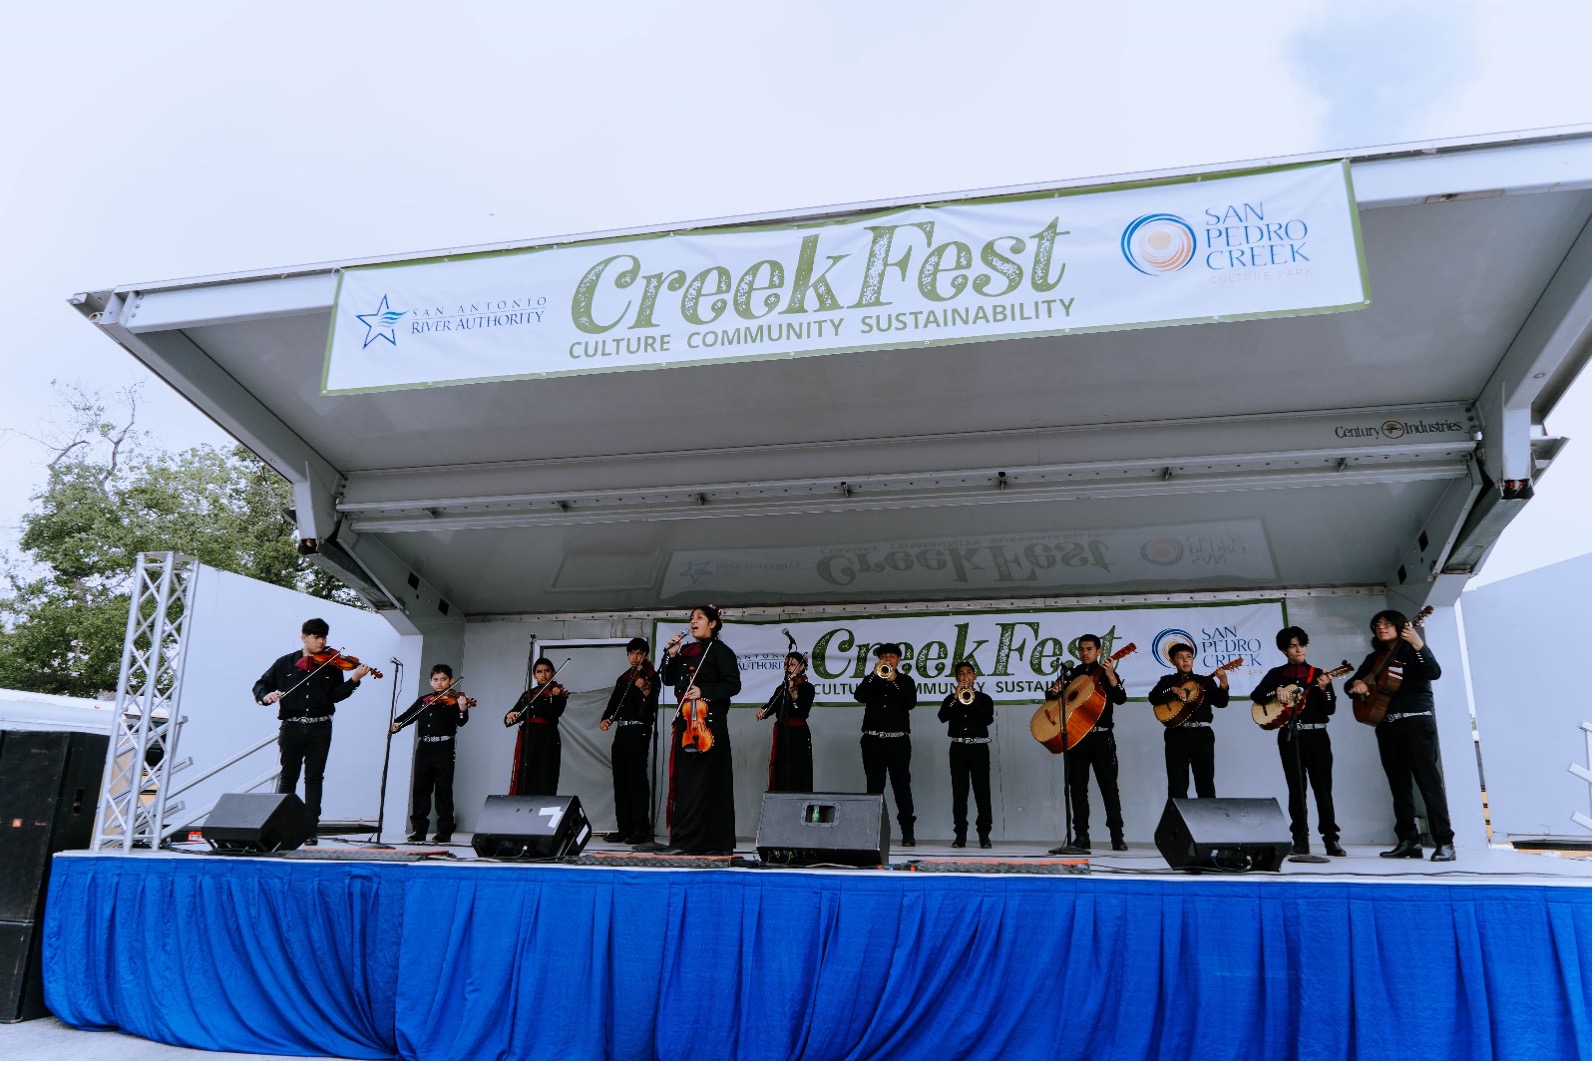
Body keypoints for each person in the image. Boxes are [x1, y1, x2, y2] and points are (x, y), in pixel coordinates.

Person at [1347, 610, 1455, 862]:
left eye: (1387, 623)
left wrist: (1418, 643)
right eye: (1377, 624)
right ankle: (1408, 841)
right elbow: (1350, 685)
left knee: (1429, 784)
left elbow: (1434, 672)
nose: (1381, 627)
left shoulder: (1412, 651)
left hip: (1416, 722)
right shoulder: (1375, 658)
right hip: (1386, 725)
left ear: (1401, 626)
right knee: (1399, 786)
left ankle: (1445, 842)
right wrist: (1357, 685)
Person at [251, 617, 370, 845]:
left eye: (324, 637)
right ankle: (281, 827)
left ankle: (310, 829)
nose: (321, 642)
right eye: (316, 637)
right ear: (303, 637)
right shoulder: (285, 663)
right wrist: (265, 697)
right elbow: (261, 684)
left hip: (321, 726)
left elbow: (336, 696)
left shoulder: (332, 665)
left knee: (314, 778)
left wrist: (354, 680)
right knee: (288, 777)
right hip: (292, 726)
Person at [1249, 628, 1344, 857]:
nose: (1299, 649)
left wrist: (1324, 689)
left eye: (1302, 644)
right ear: (1284, 649)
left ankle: (1331, 840)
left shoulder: (1319, 673)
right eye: (1293, 645)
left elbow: (1329, 708)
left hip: (1318, 736)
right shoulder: (1277, 674)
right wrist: (1277, 690)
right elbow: (1257, 695)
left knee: (1323, 789)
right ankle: (1300, 840)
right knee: (1296, 789)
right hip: (1291, 735)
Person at [661, 605, 742, 854]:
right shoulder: (686, 651)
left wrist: (704, 692)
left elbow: (733, 685)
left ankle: (708, 842)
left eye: (699, 617)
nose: (693, 621)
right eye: (691, 618)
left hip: (709, 726)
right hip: (687, 724)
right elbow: (668, 679)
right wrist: (672, 656)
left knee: (706, 783)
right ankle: (685, 839)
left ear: (713, 623)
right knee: (687, 783)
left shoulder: (721, 651)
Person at [1048, 634, 1128, 853]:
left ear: (1099, 651)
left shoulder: (1106, 673)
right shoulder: (1072, 673)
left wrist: (1111, 675)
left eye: (1089, 649)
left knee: (1109, 787)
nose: (1085, 653)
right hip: (1077, 738)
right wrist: (1054, 691)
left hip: (1102, 737)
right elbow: (1054, 700)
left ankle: (1117, 836)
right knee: (1077, 788)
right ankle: (1081, 836)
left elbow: (1120, 698)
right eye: (1082, 649)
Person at [389, 664, 470, 843]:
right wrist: (397, 724)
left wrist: (463, 709)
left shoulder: (455, 700)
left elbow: (461, 722)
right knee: (421, 789)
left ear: (450, 680)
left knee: (443, 790)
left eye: (443, 679)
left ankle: (444, 832)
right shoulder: (424, 700)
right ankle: (419, 831)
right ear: (430, 681)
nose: (439, 683)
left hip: (444, 748)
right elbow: (408, 716)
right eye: (435, 680)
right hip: (424, 749)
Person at [854, 642, 919, 847]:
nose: (888, 659)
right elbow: (859, 696)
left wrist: (894, 681)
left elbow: (910, 702)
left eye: (892, 656)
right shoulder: (871, 680)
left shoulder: (906, 681)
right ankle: (872, 833)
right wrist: (874, 676)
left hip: (898, 741)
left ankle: (908, 833)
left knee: (901, 787)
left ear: (898, 660)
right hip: (873, 740)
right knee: (874, 788)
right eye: (885, 656)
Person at [1148, 642, 1230, 799]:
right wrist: (1172, 690)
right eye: (1180, 657)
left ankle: (1208, 822)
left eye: (1188, 657)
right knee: (1177, 784)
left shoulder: (1204, 680)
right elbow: (1153, 697)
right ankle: (1177, 823)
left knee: (1205, 783)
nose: (1185, 660)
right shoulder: (1167, 681)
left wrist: (1224, 683)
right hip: (1176, 735)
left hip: (1202, 735)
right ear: (1172, 661)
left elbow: (1221, 703)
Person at [598, 637, 658, 845]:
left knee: (637, 780)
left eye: (639, 653)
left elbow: (652, 704)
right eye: (631, 653)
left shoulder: (651, 676)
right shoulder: (624, 677)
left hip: (639, 730)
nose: (635, 657)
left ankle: (642, 829)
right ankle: (624, 828)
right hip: (622, 732)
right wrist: (606, 718)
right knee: (620, 780)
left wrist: (644, 689)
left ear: (646, 655)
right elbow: (614, 702)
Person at [937, 661, 994, 848]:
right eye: (961, 674)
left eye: (969, 673)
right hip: (958, 748)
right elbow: (942, 716)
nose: (965, 676)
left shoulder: (984, 699)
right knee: (959, 792)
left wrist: (971, 699)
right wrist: (956, 696)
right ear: (956, 678)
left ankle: (984, 835)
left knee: (982, 792)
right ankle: (960, 834)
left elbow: (987, 719)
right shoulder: (951, 699)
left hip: (979, 748)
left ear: (975, 677)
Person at [504, 657, 568, 795]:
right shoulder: (528, 694)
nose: (543, 674)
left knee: (545, 776)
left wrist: (555, 697)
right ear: (534, 675)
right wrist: (510, 716)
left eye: (547, 671)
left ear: (553, 672)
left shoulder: (558, 693)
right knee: (526, 774)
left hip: (547, 738)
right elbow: (512, 716)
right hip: (529, 737)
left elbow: (554, 713)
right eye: (539, 672)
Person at [757, 651, 815, 793]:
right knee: (781, 768)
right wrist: (763, 711)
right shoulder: (781, 688)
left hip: (798, 733)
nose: (788, 667)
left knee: (798, 769)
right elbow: (772, 705)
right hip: (783, 732)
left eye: (793, 665)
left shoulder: (808, 688)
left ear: (802, 667)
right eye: (786, 665)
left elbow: (803, 712)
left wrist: (794, 697)